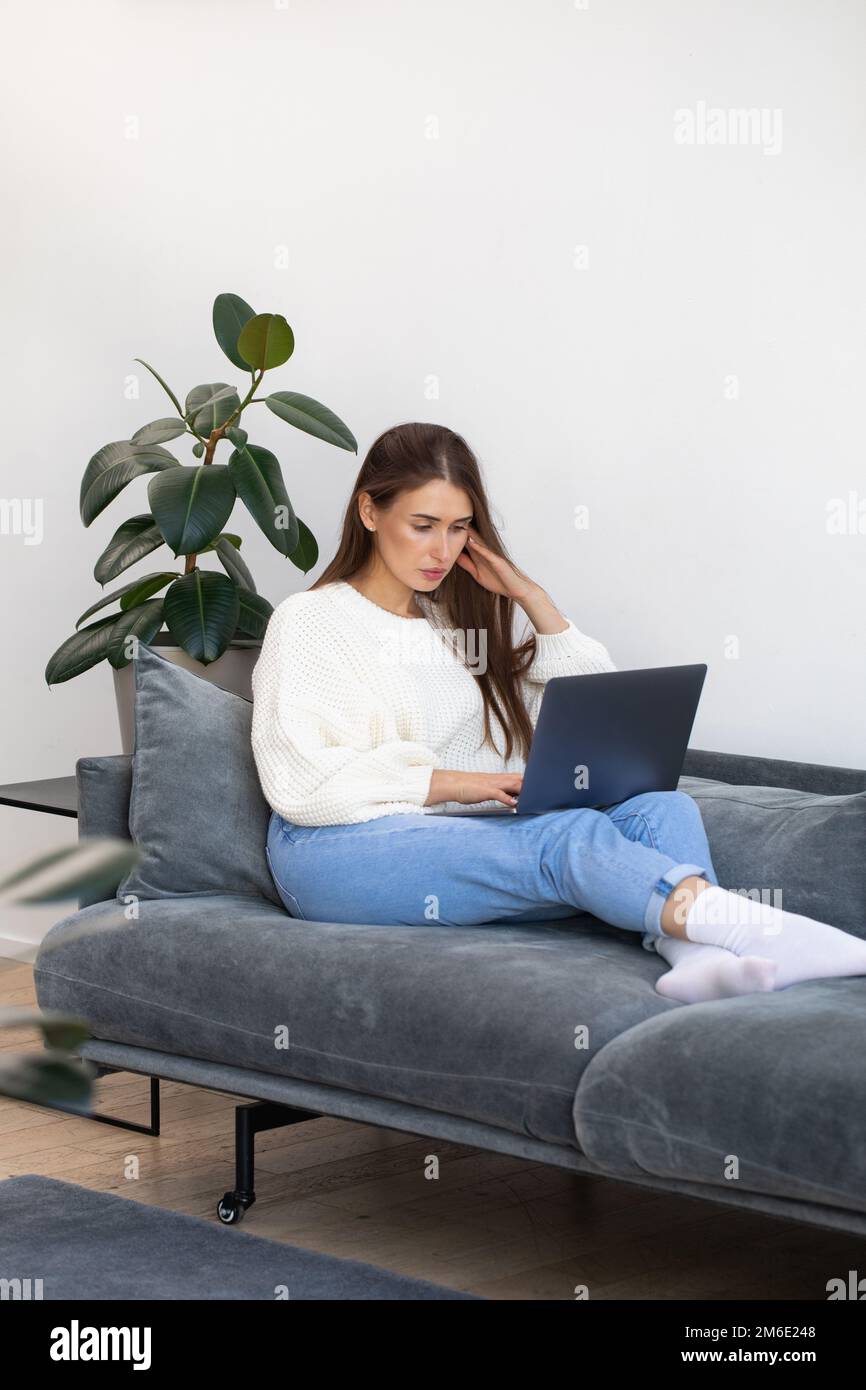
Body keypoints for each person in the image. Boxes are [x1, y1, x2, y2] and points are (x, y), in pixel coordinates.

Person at [251, 421, 866, 1005]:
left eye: (460, 528)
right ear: (369, 512)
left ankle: (697, 957)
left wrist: (531, 599)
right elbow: (301, 783)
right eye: (423, 524)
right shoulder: (310, 621)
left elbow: (591, 708)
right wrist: (463, 786)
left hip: (452, 836)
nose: (443, 549)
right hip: (331, 850)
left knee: (662, 808)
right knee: (567, 838)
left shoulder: (450, 627)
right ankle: (759, 929)